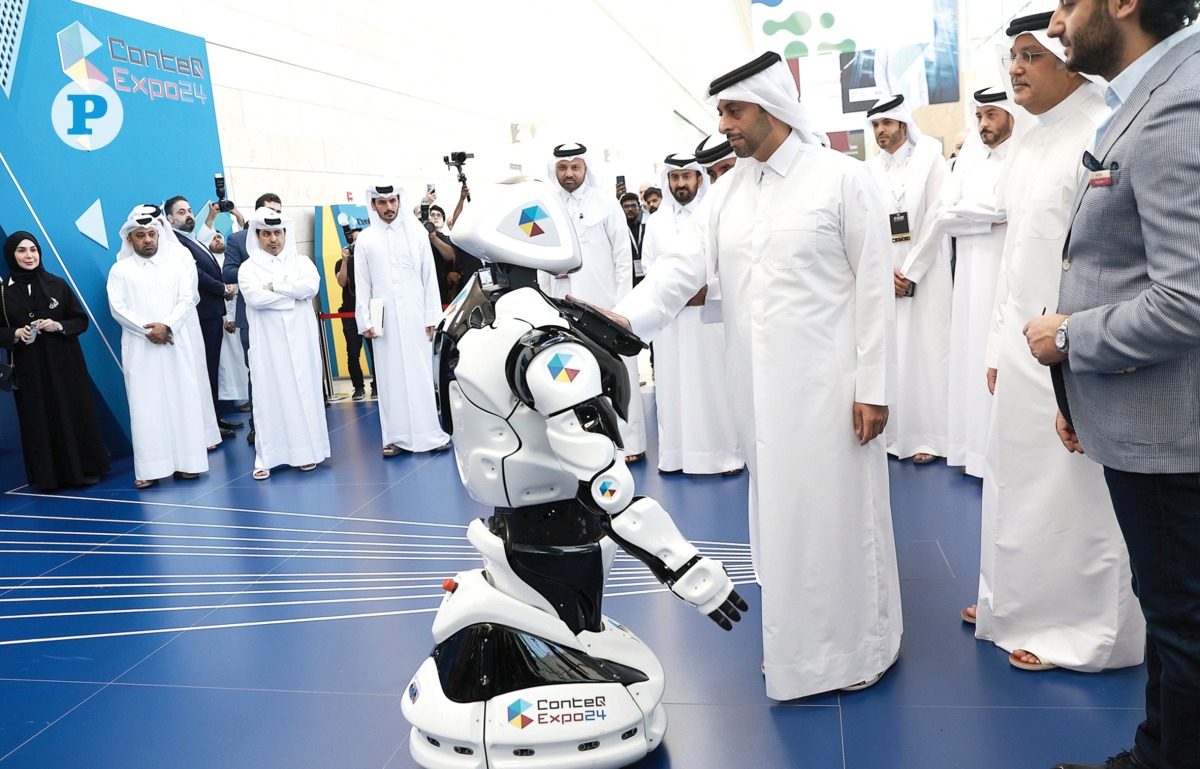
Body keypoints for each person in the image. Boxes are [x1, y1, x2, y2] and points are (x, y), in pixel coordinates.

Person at [612, 52, 901, 700]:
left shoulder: (842, 179)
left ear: (768, 108)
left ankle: (859, 649)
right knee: (781, 526)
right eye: (721, 111)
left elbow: (874, 290)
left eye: (732, 110)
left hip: (832, 393)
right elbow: (683, 268)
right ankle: (797, 647)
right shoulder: (732, 192)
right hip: (758, 397)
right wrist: (621, 319)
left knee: (837, 520)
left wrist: (874, 388)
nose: (725, 124)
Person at [1023, 2, 1200, 767]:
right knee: (1173, 617)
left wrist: (1067, 338)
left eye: (1066, 5)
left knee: (1185, 625)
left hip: (1173, 434)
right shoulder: (1152, 98)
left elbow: (1187, 299)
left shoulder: (1178, 104)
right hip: (1144, 417)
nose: (1057, 26)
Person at [965, 11, 1144, 681]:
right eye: (1012, 55)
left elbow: (1113, 262)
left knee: (1075, 492)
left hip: (1078, 347)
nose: (1015, 69)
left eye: (1030, 55)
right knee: (1017, 482)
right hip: (1021, 345)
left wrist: (1079, 348)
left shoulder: (1103, 127)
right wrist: (994, 344)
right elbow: (1017, 258)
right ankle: (1014, 602)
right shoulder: (1033, 142)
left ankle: (1087, 628)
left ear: (1069, 59)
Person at [541, 143, 646, 463]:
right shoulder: (545, 207)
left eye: (575, 167)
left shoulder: (607, 203)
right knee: (566, 372)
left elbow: (622, 257)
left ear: (586, 168)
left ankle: (630, 442)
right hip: (561, 303)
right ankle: (577, 446)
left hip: (604, 304)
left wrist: (622, 306)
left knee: (615, 371)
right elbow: (540, 256)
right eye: (562, 168)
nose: (569, 174)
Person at [640, 153, 742, 476]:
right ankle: (676, 456)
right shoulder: (654, 223)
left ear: (700, 179)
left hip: (706, 316)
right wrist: (675, 293)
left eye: (688, 176)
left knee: (713, 384)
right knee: (672, 387)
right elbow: (648, 268)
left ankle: (723, 456)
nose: (681, 183)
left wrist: (706, 289)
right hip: (671, 321)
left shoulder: (715, 212)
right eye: (675, 177)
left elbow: (729, 259)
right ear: (667, 181)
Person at [866, 93, 952, 465]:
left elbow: (938, 215)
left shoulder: (930, 158)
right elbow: (865, 226)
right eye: (874, 126)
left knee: (928, 352)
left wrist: (912, 270)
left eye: (886, 123)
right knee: (892, 354)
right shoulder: (867, 170)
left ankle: (929, 438)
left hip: (927, 273)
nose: (880, 132)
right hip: (884, 276)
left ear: (902, 124)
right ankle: (893, 435)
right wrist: (886, 274)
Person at [937, 87, 1015, 478]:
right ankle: (973, 452)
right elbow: (942, 215)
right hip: (969, 278)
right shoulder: (968, 161)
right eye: (979, 116)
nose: (983, 124)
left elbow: (1010, 206)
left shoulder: (1021, 156)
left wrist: (971, 216)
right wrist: (988, 217)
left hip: (1005, 275)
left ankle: (999, 456)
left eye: (991, 115)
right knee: (971, 356)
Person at [106, 206, 210, 489]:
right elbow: (118, 308)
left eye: (152, 234)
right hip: (141, 349)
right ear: (130, 240)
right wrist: (149, 330)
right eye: (141, 235)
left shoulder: (175, 267)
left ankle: (189, 464)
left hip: (175, 342)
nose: (147, 240)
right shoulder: (119, 270)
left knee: (183, 401)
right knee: (146, 407)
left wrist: (168, 326)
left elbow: (186, 300)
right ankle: (151, 469)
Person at [0, 231, 109, 491]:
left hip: (65, 364)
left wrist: (57, 325)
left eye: (33, 250)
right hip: (29, 369)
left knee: (73, 411)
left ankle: (85, 470)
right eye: (22, 251)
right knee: (38, 417)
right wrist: (16, 333)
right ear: (10, 256)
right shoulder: (3, 292)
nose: (29, 256)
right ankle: (49, 477)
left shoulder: (57, 284)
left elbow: (80, 320)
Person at [354, 182, 450, 456]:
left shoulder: (417, 233)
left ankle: (433, 434)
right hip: (383, 320)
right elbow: (363, 284)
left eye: (392, 201)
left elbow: (430, 277)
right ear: (373, 204)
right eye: (382, 203)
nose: (388, 207)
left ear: (399, 201)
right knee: (388, 376)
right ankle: (395, 437)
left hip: (417, 315)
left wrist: (432, 314)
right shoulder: (366, 239)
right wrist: (365, 320)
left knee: (422, 374)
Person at [238, 207, 330, 479]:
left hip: (302, 344)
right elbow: (255, 298)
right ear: (257, 236)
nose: (273, 239)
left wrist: (274, 287)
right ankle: (268, 458)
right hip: (268, 348)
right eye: (266, 233)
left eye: (277, 232)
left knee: (304, 394)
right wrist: (292, 294)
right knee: (270, 398)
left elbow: (310, 288)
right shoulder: (248, 268)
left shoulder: (302, 263)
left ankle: (307, 453)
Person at [164, 195, 238, 439]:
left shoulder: (190, 239)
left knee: (212, 368)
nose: (188, 215)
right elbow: (196, 274)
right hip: (202, 313)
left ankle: (214, 418)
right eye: (182, 212)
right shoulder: (175, 242)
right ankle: (209, 423)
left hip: (211, 312)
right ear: (169, 219)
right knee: (205, 369)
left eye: (189, 210)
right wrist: (221, 289)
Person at [222, 192, 283, 444]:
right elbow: (228, 273)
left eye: (278, 212)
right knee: (257, 372)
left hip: (284, 315)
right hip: (252, 316)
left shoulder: (283, 237)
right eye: (270, 211)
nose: (274, 217)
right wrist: (259, 274)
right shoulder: (237, 239)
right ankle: (258, 426)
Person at [333, 226, 375, 401]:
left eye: (360, 240)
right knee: (353, 352)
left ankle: (377, 385)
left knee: (375, 352)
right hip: (350, 312)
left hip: (371, 311)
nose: (356, 244)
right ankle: (358, 387)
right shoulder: (341, 262)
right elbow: (341, 282)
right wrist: (345, 261)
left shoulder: (372, 261)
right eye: (353, 240)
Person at [209, 230, 250, 407]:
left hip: (235, 316)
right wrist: (230, 318)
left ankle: (244, 398)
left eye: (219, 237)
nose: (218, 240)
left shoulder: (231, 258)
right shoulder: (215, 263)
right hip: (224, 318)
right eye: (213, 238)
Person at [620, 192, 646, 286]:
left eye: (633, 205)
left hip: (646, 278)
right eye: (626, 207)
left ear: (639, 208)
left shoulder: (646, 228)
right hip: (627, 280)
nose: (630, 209)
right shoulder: (619, 232)